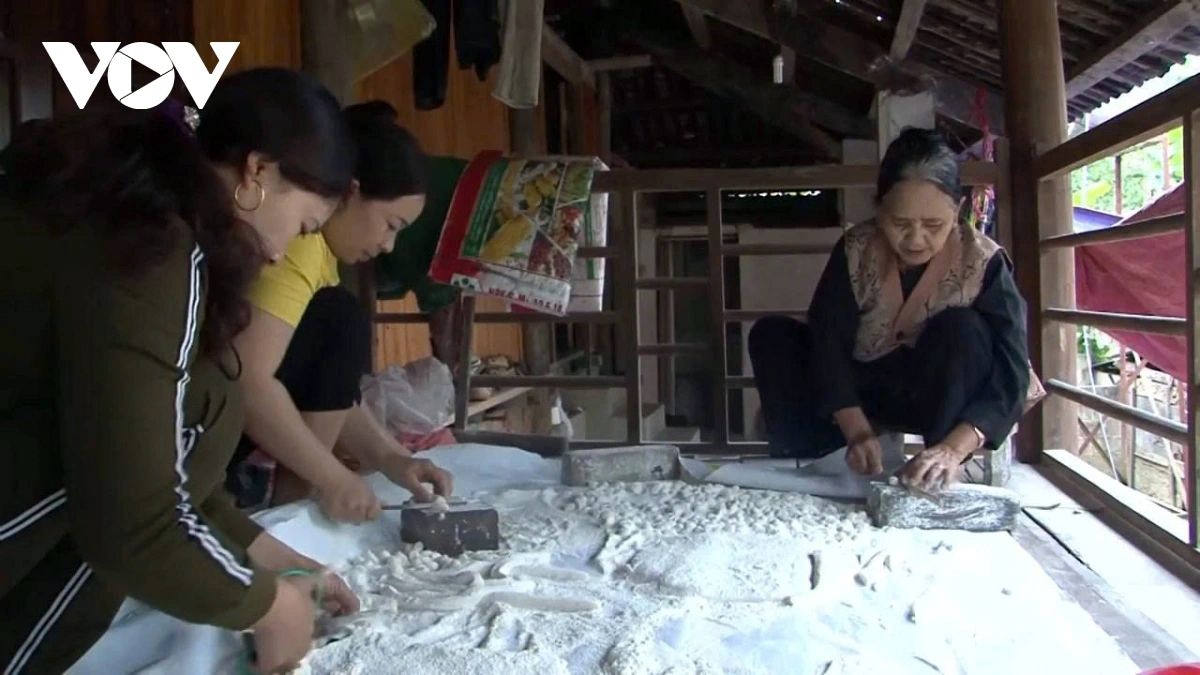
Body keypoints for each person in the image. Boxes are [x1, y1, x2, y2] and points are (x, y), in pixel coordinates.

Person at [0, 68, 364, 675]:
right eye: (301, 225)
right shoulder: (153, 248)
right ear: (258, 172)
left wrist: (272, 557)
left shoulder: (146, 218)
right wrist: (268, 608)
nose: (281, 252)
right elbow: (130, 520)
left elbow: (165, 463)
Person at [748, 128, 1032, 492]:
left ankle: (936, 468)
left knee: (964, 330)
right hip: (860, 392)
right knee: (773, 336)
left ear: (957, 210)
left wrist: (952, 448)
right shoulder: (856, 248)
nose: (915, 240)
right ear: (878, 208)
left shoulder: (984, 261)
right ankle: (811, 462)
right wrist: (856, 430)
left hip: (935, 399)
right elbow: (827, 341)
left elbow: (1012, 371)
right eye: (900, 224)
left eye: (933, 225)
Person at [228, 100, 453, 522]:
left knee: (337, 323)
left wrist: (393, 458)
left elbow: (329, 389)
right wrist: (333, 478)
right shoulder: (298, 247)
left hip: (220, 414)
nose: (388, 247)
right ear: (350, 192)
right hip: (195, 420)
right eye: (391, 225)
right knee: (340, 319)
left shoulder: (322, 260)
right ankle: (289, 512)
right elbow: (248, 381)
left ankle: (291, 506)